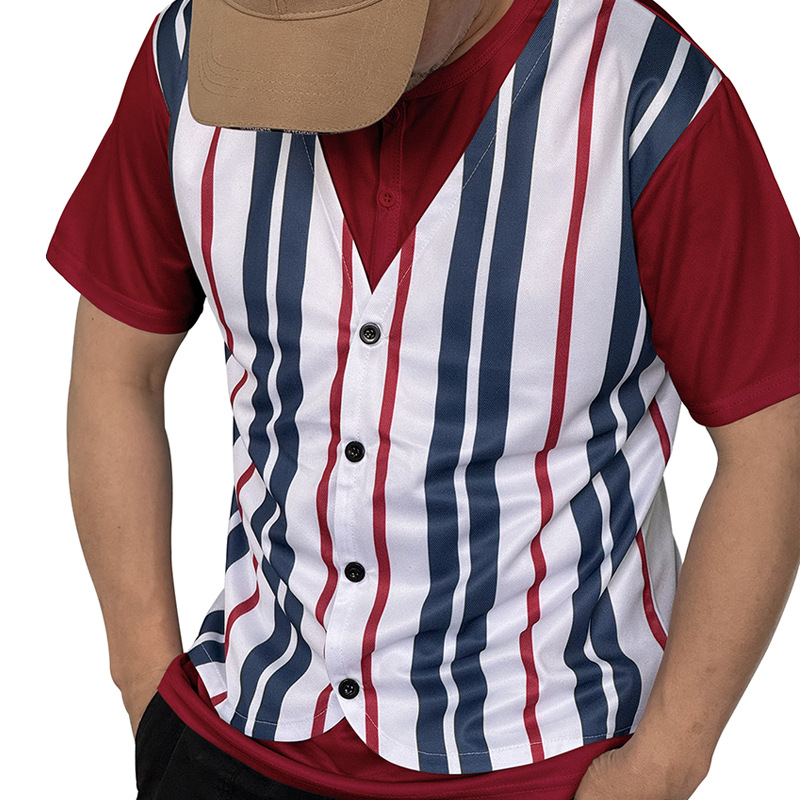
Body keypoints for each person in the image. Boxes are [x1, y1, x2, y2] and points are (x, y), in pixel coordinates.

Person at [46, 0, 799, 798]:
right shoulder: (191, 55)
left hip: (544, 756)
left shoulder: (647, 94)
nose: (306, 57)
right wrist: (147, 687)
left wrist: (662, 766)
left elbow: (774, 441)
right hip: (239, 728)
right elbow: (117, 370)